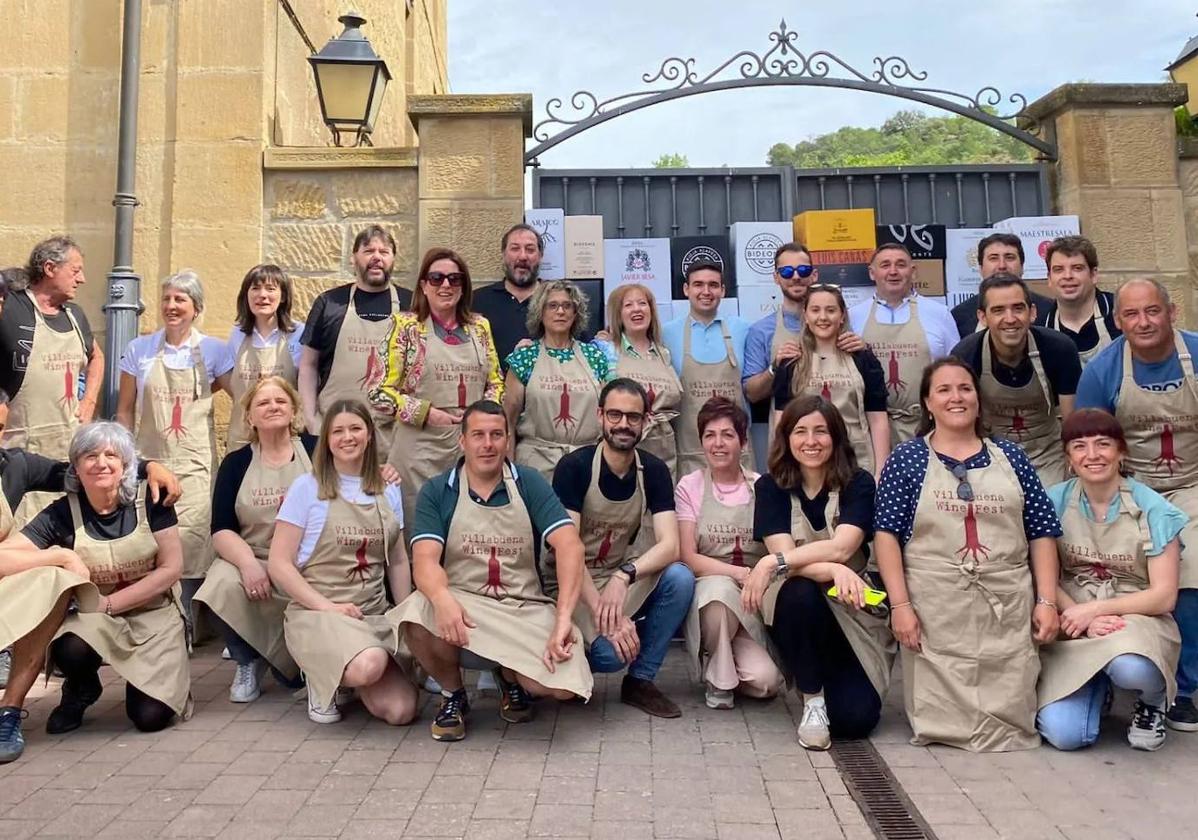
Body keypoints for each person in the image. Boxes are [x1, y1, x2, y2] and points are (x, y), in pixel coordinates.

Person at [874, 358, 1061, 751]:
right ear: (927, 403)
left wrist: (1046, 600)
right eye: (943, 390)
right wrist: (900, 605)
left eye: (965, 388)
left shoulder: (1012, 458)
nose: (956, 397)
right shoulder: (907, 460)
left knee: (1010, 699)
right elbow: (886, 536)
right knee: (944, 714)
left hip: (1005, 606)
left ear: (978, 398)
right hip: (936, 610)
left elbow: (1041, 533)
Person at [391, 400, 592, 742]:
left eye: (497, 435)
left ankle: (512, 678)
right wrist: (441, 598)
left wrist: (563, 618)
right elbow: (424, 560)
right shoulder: (439, 490)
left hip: (522, 608)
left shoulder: (529, 483)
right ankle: (453, 694)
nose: (488, 444)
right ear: (462, 441)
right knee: (414, 611)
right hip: (465, 609)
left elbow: (570, 546)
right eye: (479, 435)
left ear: (508, 439)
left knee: (560, 690)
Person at [0, 423, 189, 760]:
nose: (101, 463)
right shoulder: (61, 512)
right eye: (90, 456)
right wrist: (60, 555)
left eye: (111, 455)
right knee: (71, 647)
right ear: (75, 468)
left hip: (153, 614)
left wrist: (111, 603)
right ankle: (81, 687)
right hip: (96, 617)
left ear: (126, 466)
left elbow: (171, 569)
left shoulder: (152, 499)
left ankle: (148, 684)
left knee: (150, 717)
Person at [1074, 277, 1198, 733]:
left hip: (1194, 482)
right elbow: (1087, 442)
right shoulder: (1103, 371)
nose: (1143, 322)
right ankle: (1120, 669)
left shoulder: (1196, 355)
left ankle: (1183, 690)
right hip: (1130, 484)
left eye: (1152, 311)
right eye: (1131, 314)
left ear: (1172, 312)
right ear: (1117, 320)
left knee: (1191, 571)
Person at [742, 396, 889, 749]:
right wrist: (835, 569)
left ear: (836, 437)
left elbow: (842, 546)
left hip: (851, 610)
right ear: (786, 438)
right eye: (801, 431)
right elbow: (789, 558)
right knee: (800, 590)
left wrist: (771, 562)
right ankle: (812, 701)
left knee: (856, 721)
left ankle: (829, 682)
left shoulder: (859, 483)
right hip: (795, 604)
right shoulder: (770, 486)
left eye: (821, 431)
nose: (811, 441)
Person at [1037, 409, 1183, 752]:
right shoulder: (1053, 502)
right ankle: (1095, 690)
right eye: (1080, 446)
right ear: (1068, 458)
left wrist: (1097, 611)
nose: (1092, 455)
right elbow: (1039, 574)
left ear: (1122, 451)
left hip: (1134, 615)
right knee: (1065, 735)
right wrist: (1079, 615)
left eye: (1103, 444)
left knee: (1130, 668)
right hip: (1071, 616)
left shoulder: (1153, 509)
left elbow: (1164, 596)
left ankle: (1153, 699)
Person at [549, 378, 693, 718]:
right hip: (571, 582)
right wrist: (604, 613)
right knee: (609, 655)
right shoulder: (575, 468)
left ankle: (640, 680)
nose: (623, 424)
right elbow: (564, 551)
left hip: (615, 578)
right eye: (615, 415)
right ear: (600, 416)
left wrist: (625, 575)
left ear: (645, 421)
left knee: (680, 578)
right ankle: (577, 660)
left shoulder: (653, 470)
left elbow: (671, 545)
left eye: (633, 416)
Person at [268, 399, 417, 726]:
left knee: (401, 711)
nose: (347, 437)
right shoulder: (306, 489)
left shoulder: (387, 489)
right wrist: (327, 607)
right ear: (326, 439)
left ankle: (347, 674)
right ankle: (321, 678)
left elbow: (398, 559)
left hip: (371, 615)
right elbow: (279, 564)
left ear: (369, 435)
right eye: (337, 431)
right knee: (370, 665)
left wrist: (405, 613)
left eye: (355, 429)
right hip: (320, 614)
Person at [116, 270, 233, 612]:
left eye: (180, 299)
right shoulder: (139, 349)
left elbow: (241, 397)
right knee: (150, 537)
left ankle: (190, 619)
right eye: (166, 299)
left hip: (194, 464)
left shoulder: (213, 350)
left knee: (193, 538)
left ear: (196, 308)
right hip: (151, 460)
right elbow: (124, 410)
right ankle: (154, 613)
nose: (171, 306)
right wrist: (125, 456)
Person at [195, 377, 311, 703]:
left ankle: (289, 661)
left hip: (308, 562)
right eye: (263, 403)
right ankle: (247, 659)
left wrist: (384, 471)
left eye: (280, 401)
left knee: (290, 680)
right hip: (257, 559)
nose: (272, 407)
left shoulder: (317, 451)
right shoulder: (236, 463)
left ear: (293, 410)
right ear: (249, 417)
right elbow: (221, 528)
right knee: (218, 581)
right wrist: (247, 564)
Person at [370, 248, 502, 528]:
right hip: (418, 451)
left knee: (468, 528)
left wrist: (480, 418)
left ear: (463, 287)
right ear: (423, 285)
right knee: (419, 528)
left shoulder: (480, 327)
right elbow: (378, 390)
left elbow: (496, 382)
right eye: (437, 278)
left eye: (454, 279)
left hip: (471, 448)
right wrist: (427, 413)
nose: (445, 285)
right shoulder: (404, 326)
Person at [677, 397, 782, 710]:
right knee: (720, 593)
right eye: (710, 435)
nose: (718, 444)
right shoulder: (690, 485)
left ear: (744, 441)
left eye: (727, 435)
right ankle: (720, 682)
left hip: (753, 598)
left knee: (766, 684)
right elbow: (687, 556)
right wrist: (738, 574)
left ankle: (724, 660)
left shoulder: (763, 487)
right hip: (710, 592)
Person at [0, 237, 105, 526]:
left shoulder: (76, 317)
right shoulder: (11, 308)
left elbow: (97, 357)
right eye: (75, 270)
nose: (82, 279)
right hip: (17, 451)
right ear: (49, 268)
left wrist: (89, 401)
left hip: (66, 449)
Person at [950, 273, 1081, 486]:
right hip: (990, 458)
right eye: (998, 310)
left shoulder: (1059, 349)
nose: (1010, 318)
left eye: (1018, 308)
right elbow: (957, 423)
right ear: (982, 317)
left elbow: (1071, 419)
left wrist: (1072, 469)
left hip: (1048, 457)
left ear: (1033, 313)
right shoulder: (965, 355)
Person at [298, 225, 412, 460]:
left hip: (395, 440)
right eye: (369, 251)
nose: (377, 257)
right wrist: (311, 420)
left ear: (393, 259)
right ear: (354, 258)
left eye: (385, 251)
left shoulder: (411, 304)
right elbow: (308, 365)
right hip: (334, 434)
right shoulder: (329, 303)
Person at [848, 243, 961, 444]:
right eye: (885, 265)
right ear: (872, 273)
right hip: (870, 431)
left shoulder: (939, 314)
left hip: (929, 429)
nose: (893, 272)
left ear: (913, 271)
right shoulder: (853, 316)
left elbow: (956, 371)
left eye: (900, 265)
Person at [773, 285, 890, 479]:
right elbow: (781, 423)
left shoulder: (863, 359)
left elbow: (878, 419)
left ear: (842, 315)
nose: (823, 317)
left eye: (831, 310)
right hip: (805, 464)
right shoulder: (791, 361)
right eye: (815, 310)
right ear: (806, 316)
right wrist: (780, 468)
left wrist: (880, 473)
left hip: (856, 461)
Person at [502, 280, 608, 481]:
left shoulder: (595, 356)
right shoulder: (524, 358)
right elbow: (508, 421)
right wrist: (509, 473)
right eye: (552, 305)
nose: (561, 311)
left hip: (587, 464)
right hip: (536, 465)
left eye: (567, 306)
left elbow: (607, 413)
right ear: (540, 313)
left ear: (576, 314)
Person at [662, 261, 753, 476]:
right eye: (698, 285)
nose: (706, 291)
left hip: (736, 453)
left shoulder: (743, 329)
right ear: (686, 290)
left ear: (722, 290)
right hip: (690, 454)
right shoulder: (666, 333)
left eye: (713, 285)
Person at [596, 284, 683, 477]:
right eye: (628, 305)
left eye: (642, 303)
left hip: (663, 449)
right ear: (618, 314)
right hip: (622, 445)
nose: (637, 309)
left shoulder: (664, 353)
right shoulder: (605, 351)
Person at [224, 264, 304, 451]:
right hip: (242, 438)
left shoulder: (298, 334)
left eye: (270, 289)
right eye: (255, 288)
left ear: (283, 296)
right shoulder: (237, 334)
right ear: (246, 295)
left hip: (287, 439)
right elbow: (232, 385)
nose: (262, 295)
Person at [949, 232, 1054, 338]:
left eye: (1009, 257)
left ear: (1022, 266)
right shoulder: (959, 316)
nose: (1002, 266)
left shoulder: (1049, 310)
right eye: (993, 258)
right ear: (981, 268)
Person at [473, 224, 548, 368]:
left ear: (540, 256)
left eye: (530, 249)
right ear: (504, 254)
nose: (523, 256)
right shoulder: (477, 301)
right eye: (515, 249)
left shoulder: (556, 302)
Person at [1040, 236, 1120, 366]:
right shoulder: (1041, 327)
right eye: (1058, 269)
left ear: (1093, 275)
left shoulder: (1121, 312)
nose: (1067, 276)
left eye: (1077, 268)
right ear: (1049, 279)